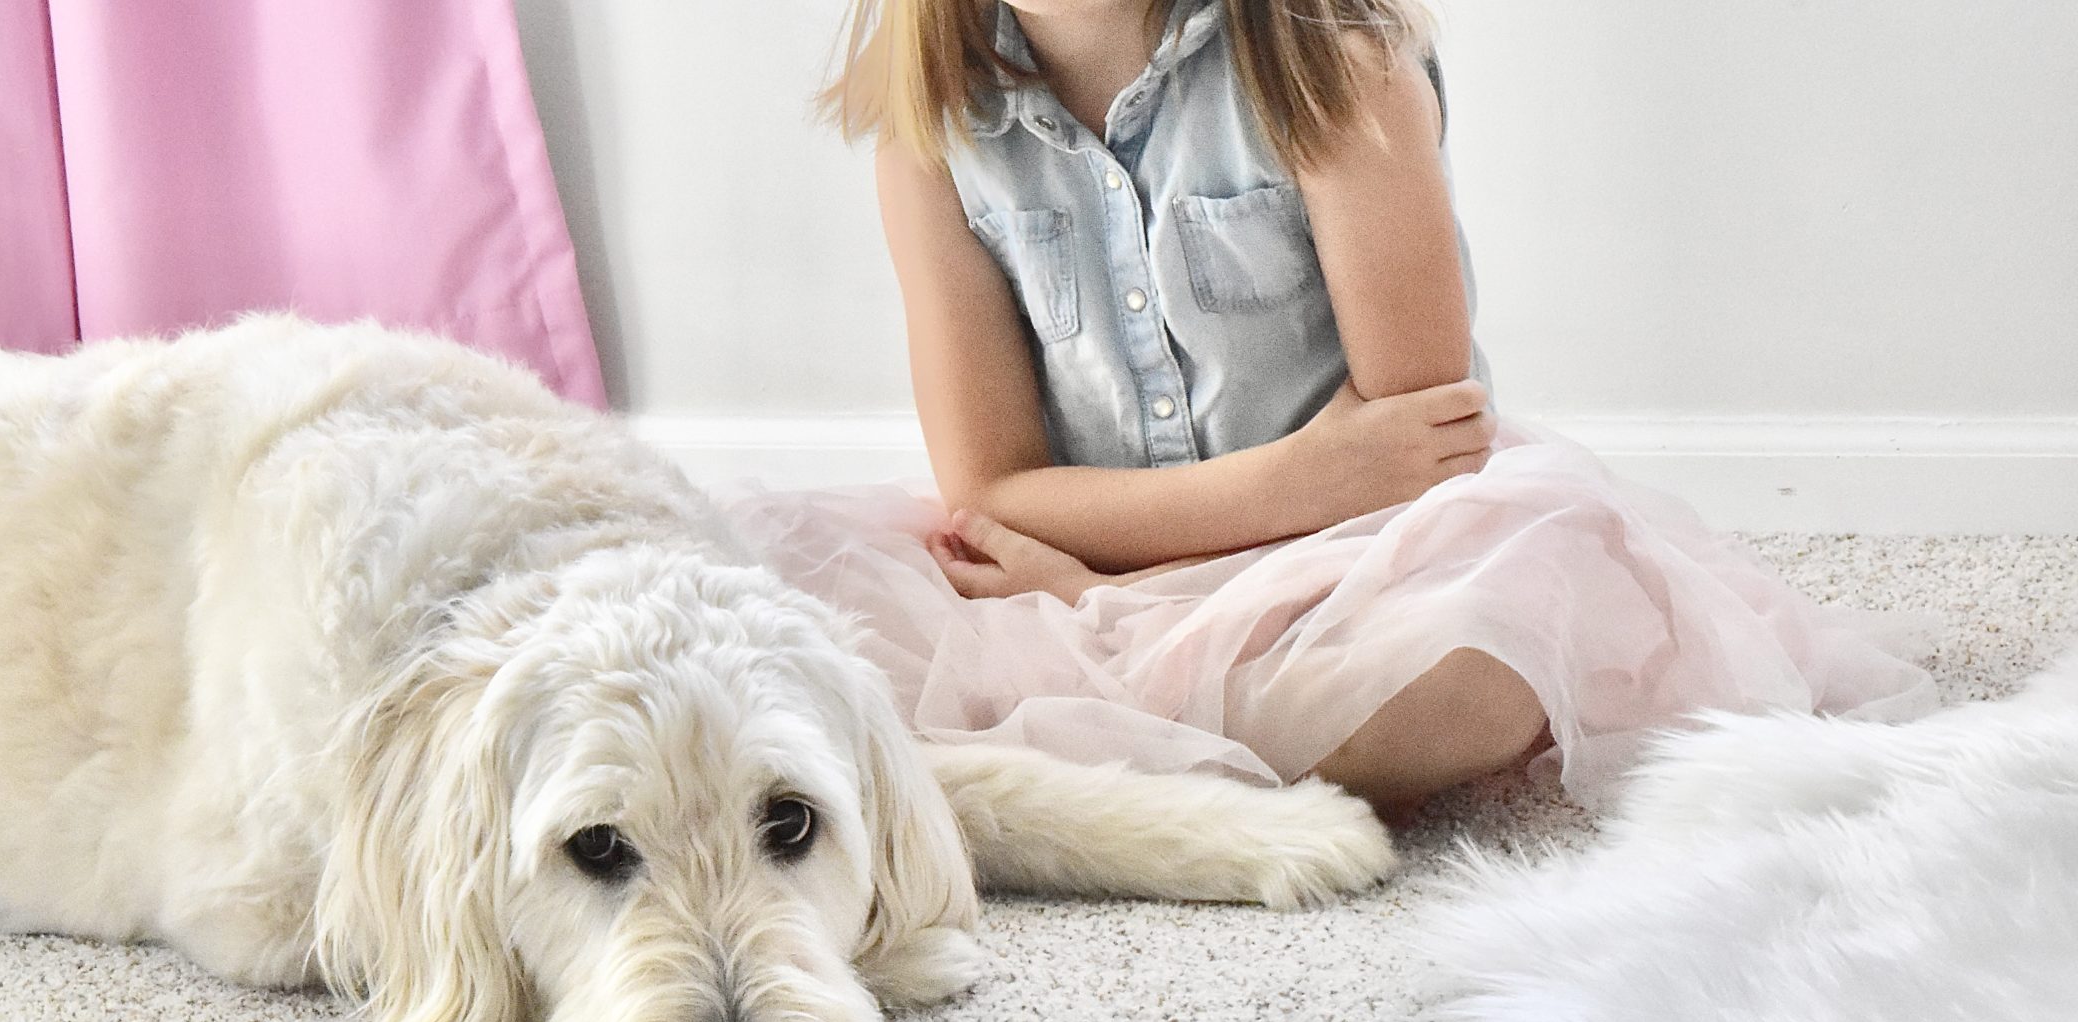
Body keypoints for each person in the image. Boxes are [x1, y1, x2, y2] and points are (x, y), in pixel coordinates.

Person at [722, 0, 1933, 814]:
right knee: (773, 592)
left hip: (1356, 559)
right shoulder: (931, 128)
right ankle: (1151, 687)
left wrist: (1292, 507)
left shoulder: (1326, 55)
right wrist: (1139, 560)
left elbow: (1420, 436)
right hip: (1092, 560)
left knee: (1501, 629)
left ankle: (1110, 708)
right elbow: (989, 489)